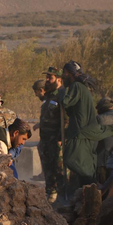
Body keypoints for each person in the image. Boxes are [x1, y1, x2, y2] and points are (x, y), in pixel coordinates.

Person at [59, 61, 113, 192]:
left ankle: (93, 185)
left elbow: (65, 102)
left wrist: (61, 92)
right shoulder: (82, 89)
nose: (63, 76)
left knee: (71, 159)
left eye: (64, 73)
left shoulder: (76, 86)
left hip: (83, 136)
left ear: (70, 73)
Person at [35, 67, 65, 202]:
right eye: (47, 77)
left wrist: (60, 138)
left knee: (59, 170)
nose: (47, 80)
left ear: (59, 79)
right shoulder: (48, 97)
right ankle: (50, 195)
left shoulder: (62, 95)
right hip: (46, 140)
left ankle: (63, 197)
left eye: (50, 78)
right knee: (48, 170)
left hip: (57, 141)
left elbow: (65, 119)